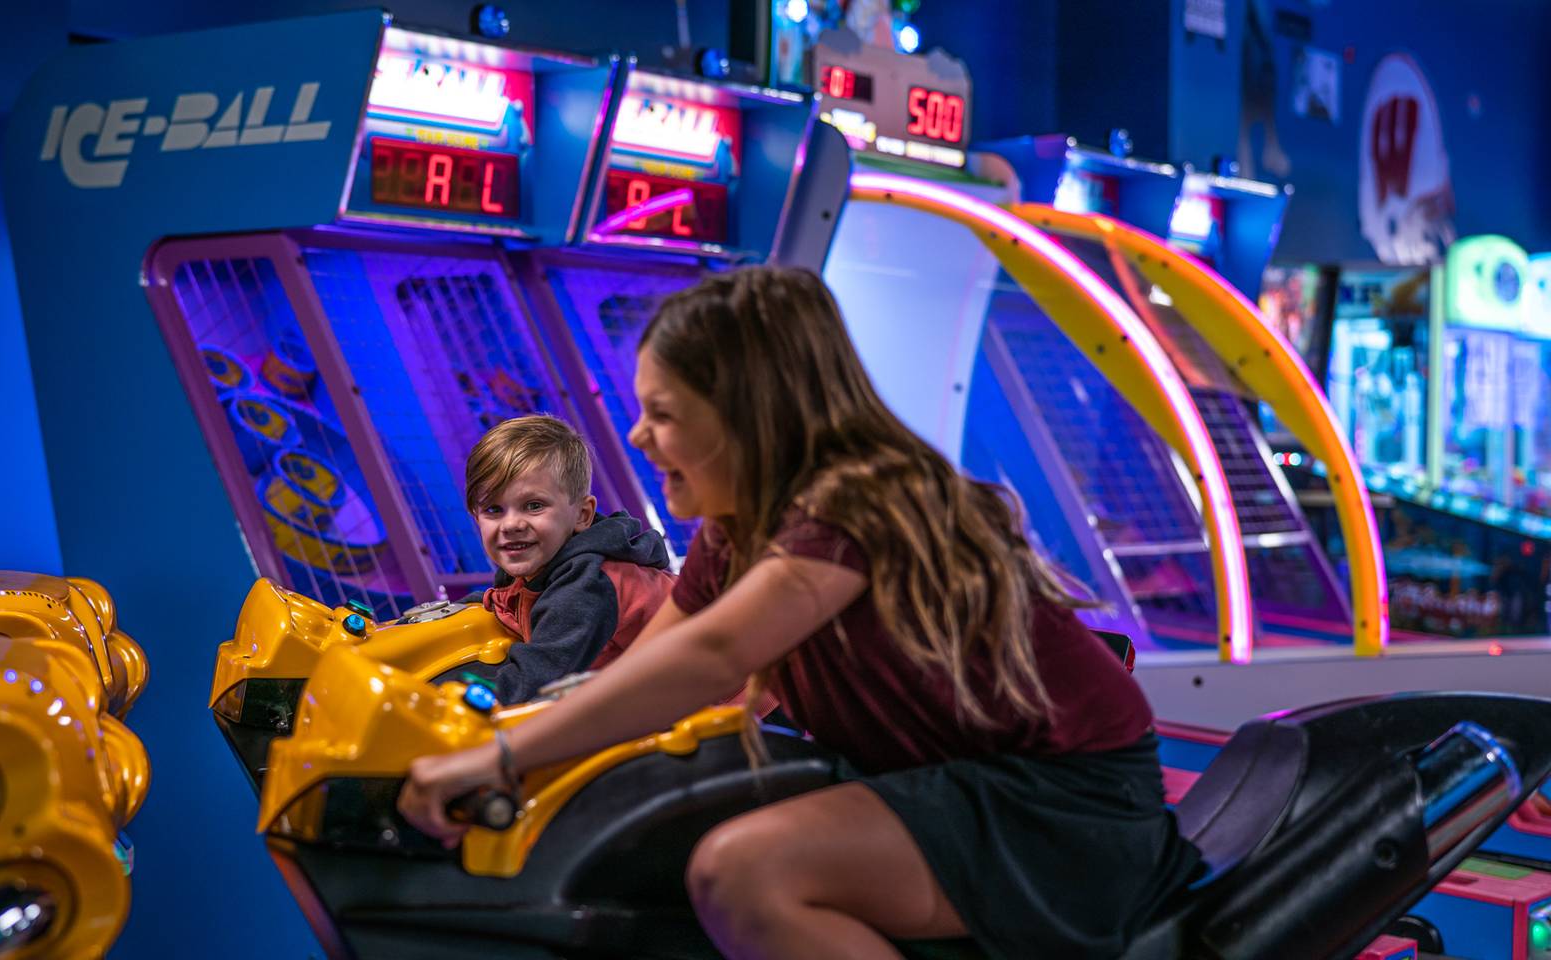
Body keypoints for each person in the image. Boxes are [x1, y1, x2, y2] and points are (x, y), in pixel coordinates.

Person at [400, 267, 1199, 959]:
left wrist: (499, 756)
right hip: (950, 779)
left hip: (1060, 803)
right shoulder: (737, 529)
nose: (640, 433)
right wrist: (477, 735)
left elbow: (710, 656)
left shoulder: (865, 499)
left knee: (744, 871)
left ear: (749, 415)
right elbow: (647, 672)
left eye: (666, 413)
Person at [461, 414, 676, 704]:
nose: (511, 525)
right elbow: (503, 600)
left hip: (728, 708)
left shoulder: (589, 584)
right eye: (493, 510)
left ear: (582, 515)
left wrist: (450, 701)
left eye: (533, 506)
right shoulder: (539, 567)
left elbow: (535, 680)